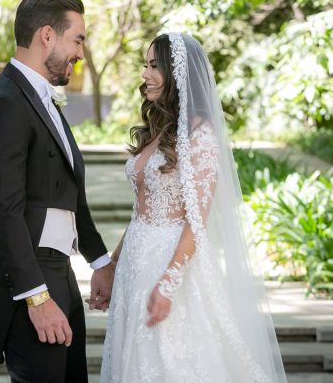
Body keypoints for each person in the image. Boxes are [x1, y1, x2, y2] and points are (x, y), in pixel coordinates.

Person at [99, 32, 288, 382]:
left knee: (170, 364)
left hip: (171, 264)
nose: (145, 73)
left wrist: (168, 284)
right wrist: (112, 264)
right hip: (134, 268)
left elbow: (197, 220)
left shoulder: (200, 135)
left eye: (154, 66)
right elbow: (141, 211)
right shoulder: (157, 129)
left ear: (175, 74)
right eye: (145, 64)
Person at [0, 0, 115, 383]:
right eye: (77, 39)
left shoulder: (40, 98)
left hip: (58, 270)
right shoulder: (4, 104)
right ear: (47, 35)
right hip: (29, 282)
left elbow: (67, 194)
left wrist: (99, 263)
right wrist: (36, 297)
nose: (81, 52)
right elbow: (3, 211)